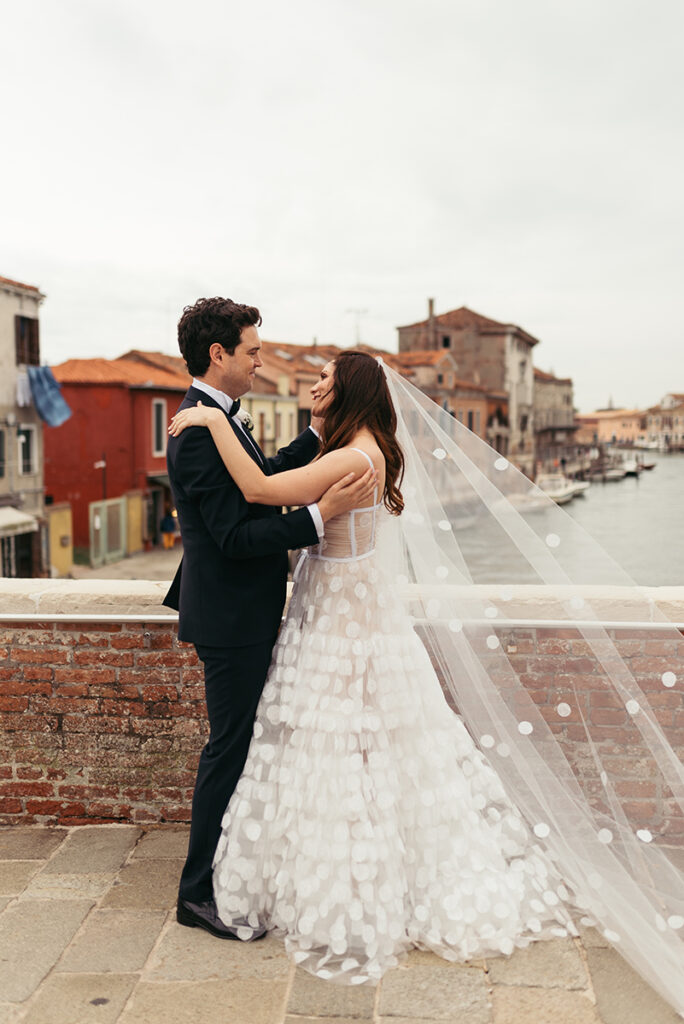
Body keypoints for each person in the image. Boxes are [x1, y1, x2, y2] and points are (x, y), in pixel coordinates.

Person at [168, 350, 580, 981]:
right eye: (255, 349)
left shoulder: (354, 455)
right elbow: (271, 482)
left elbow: (262, 488)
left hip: (340, 618)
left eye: (324, 380)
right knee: (334, 743)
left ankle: (345, 869)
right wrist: (274, 431)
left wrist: (215, 424)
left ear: (350, 391)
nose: (312, 384)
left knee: (339, 744)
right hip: (325, 609)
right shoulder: (357, 447)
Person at [163, 300, 377, 940]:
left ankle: (232, 870)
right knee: (227, 749)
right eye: (252, 351)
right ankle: (196, 893)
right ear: (218, 355)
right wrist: (318, 517)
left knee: (241, 745)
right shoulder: (197, 430)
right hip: (229, 617)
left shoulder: (219, 420)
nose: (261, 362)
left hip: (245, 611)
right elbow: (232, 534)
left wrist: (314, 431)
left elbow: (264, 476)